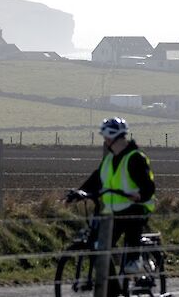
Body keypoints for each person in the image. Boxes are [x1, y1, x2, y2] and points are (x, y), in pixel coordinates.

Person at [65, 117, 157, 279]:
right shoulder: (109, 159)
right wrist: (79, 193)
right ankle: (111, 289)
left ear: (115, 138)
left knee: (130, 226)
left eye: (107, 137)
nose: (105, 141)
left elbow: (148, 186)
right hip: (112, 211)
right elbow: (97, 179)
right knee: (99, 247)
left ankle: (135, 259)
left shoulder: (135, 157)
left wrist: (139, 196)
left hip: (135, 208)